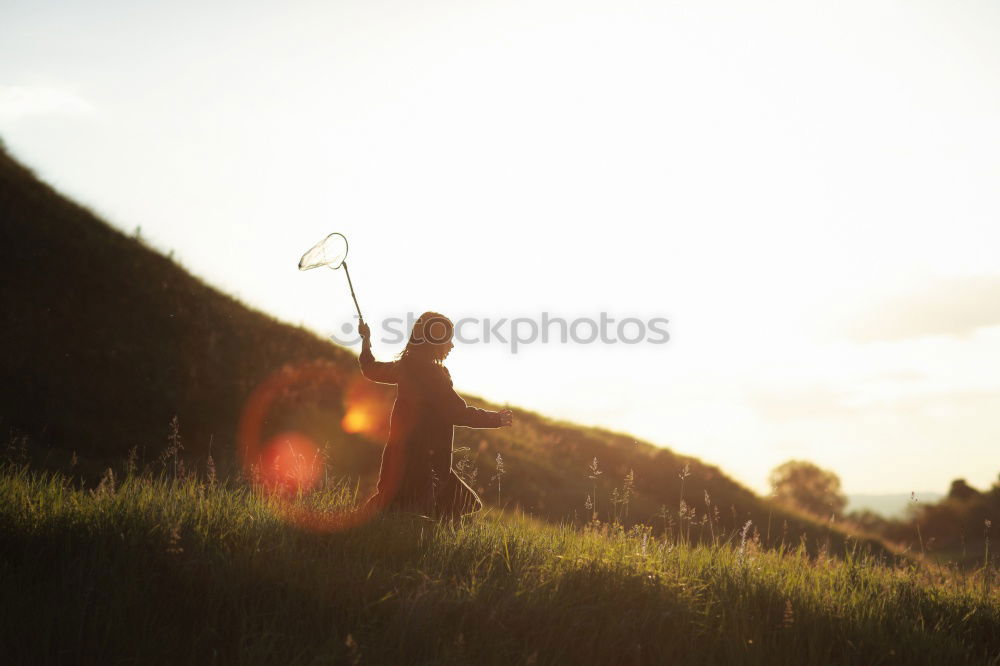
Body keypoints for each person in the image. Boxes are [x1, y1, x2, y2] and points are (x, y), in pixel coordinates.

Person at [357, 311, 513, 520]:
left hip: (404, 454)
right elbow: (458, 412)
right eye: (448, 339)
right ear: (435, 341)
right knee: (420, 511)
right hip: (426, 461)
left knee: (398, 506)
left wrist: (366, 340)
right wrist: (496, 419)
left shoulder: (406, 367)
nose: (452, 345)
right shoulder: (433, 376)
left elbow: (370, 369)